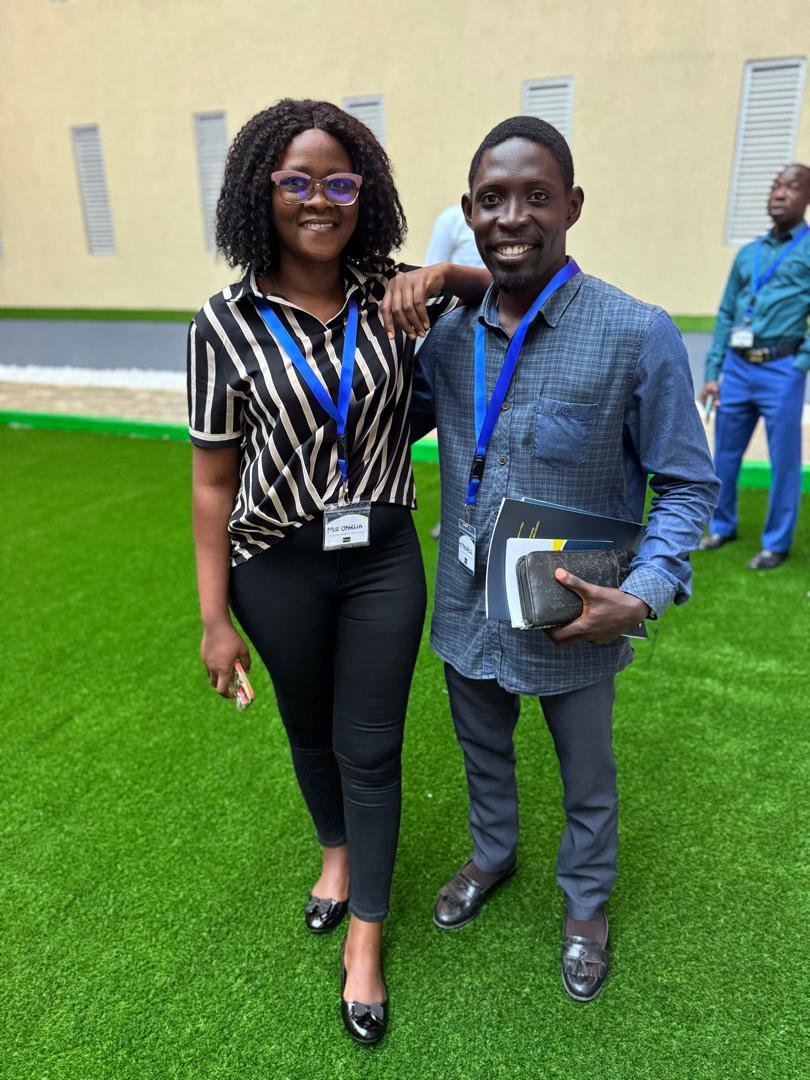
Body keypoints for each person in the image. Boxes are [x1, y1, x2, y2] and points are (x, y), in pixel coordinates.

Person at [186, 98, 488, 1046]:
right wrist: (214, 620)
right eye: (297, 182)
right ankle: (336, 855)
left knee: (371, 745)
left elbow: (511, 295)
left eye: (340, 182)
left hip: (382, 560)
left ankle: (366, 939)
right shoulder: (223, 324)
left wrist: (447, 273)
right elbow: (211, 483)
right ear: (261, 193)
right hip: (273, 565)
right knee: (308, 729)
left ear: (368, 193)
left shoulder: (394, 293)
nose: (320, 200)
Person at [409, 116, 719, 1002]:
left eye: (536, 196)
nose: (512, 216)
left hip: (573, 615)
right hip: (467, 602)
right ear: (468, 212)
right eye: (492, 199)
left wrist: (644, 595)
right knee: (481, 751)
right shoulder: (449, 337)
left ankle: (586, 904)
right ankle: (493, 854)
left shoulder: (636, 332)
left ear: (573, 205)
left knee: (587, 778)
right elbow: (391, 426)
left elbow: (687, 485)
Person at [698, 163, 810, 570]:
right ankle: (722, 526)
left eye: (791, 187)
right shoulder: (750, 254)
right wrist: (713, 372)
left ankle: (776, 543)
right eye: (776, 185)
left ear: (806, 197)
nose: (779, 193)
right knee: (725, 455)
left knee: (784, 461)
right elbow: (727, 313)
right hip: (738, 368)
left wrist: (800, 361)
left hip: (782, 368)